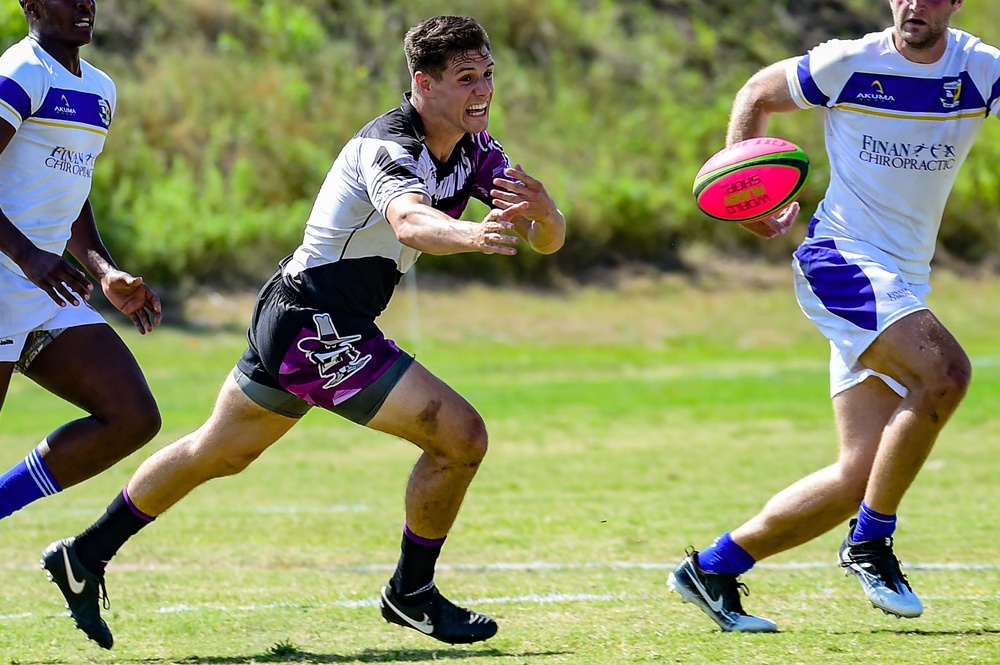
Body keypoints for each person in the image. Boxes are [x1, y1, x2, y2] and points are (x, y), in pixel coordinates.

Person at [43, 14, 565, 650]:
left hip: (299, 317)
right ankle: (411, 592)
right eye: (464, 78)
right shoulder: (389, 146)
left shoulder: (477, 150)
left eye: (487, 75)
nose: (482, 90)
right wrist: (474, 235)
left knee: (217, 451)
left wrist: (546, 214)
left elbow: (547, 239)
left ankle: (84, 554)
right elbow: (408, 221)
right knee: (462, 436)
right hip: (314, 322)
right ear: (423, 84)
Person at [668, 0, 995, 632]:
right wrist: (745, 187)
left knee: (859, 475)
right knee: (946, 374)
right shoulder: (849, 61)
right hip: (840, 260)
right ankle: (870, 543)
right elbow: (757, 90)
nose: (915, 5)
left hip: (904, 281)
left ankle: (711, 569)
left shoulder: (980, 70)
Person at [0, 0, 161, 525]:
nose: (85, 4)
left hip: (45, 287)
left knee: (132, 416)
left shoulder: (100, 88)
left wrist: (103, 270)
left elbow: (70, 190)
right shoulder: (21, 72)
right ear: (32, 4)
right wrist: (28, 256)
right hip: (9, 275)